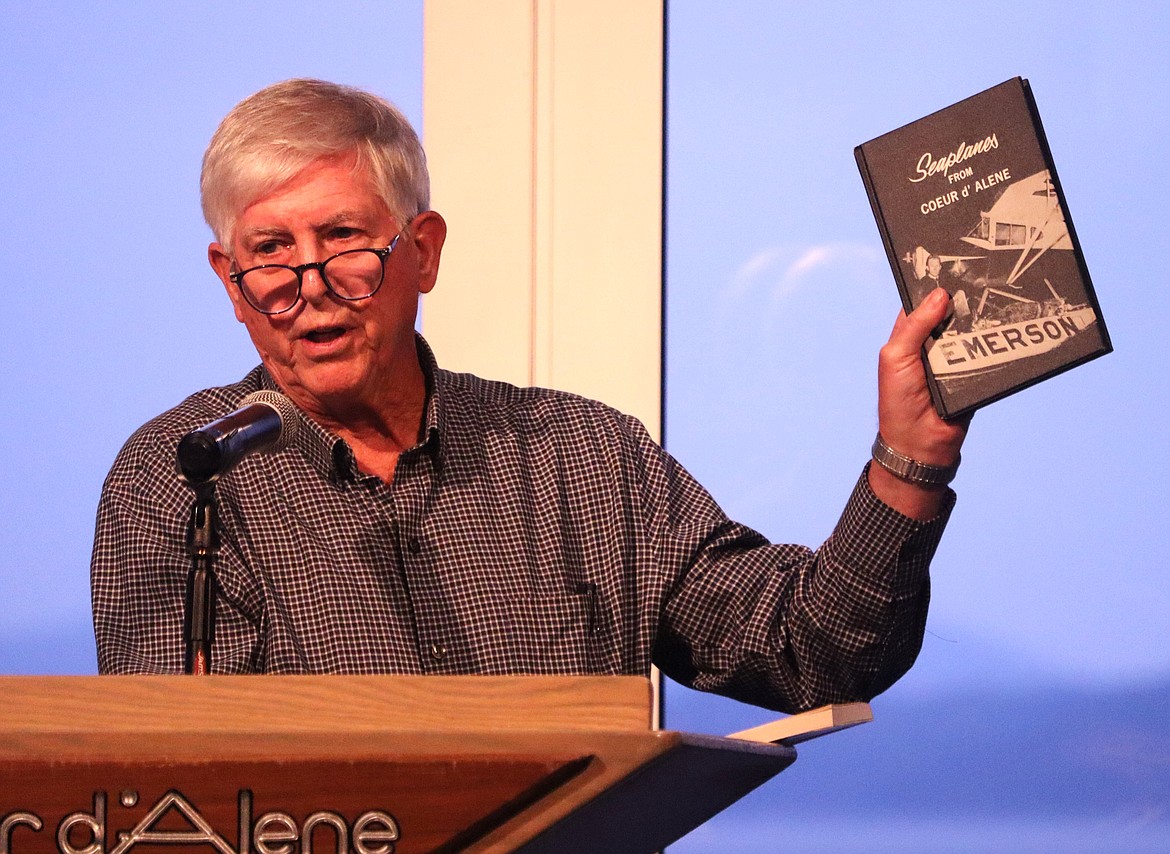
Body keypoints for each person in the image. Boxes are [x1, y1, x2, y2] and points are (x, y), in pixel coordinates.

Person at [90, 79, 967, 713]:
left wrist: (911, 460)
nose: (309, 283)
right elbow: (186, 796)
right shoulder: (183, 482)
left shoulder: (581, 458)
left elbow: (814, 656)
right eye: (271, 252)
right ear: (228, 277)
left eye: (344, 237)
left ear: (423, 251)